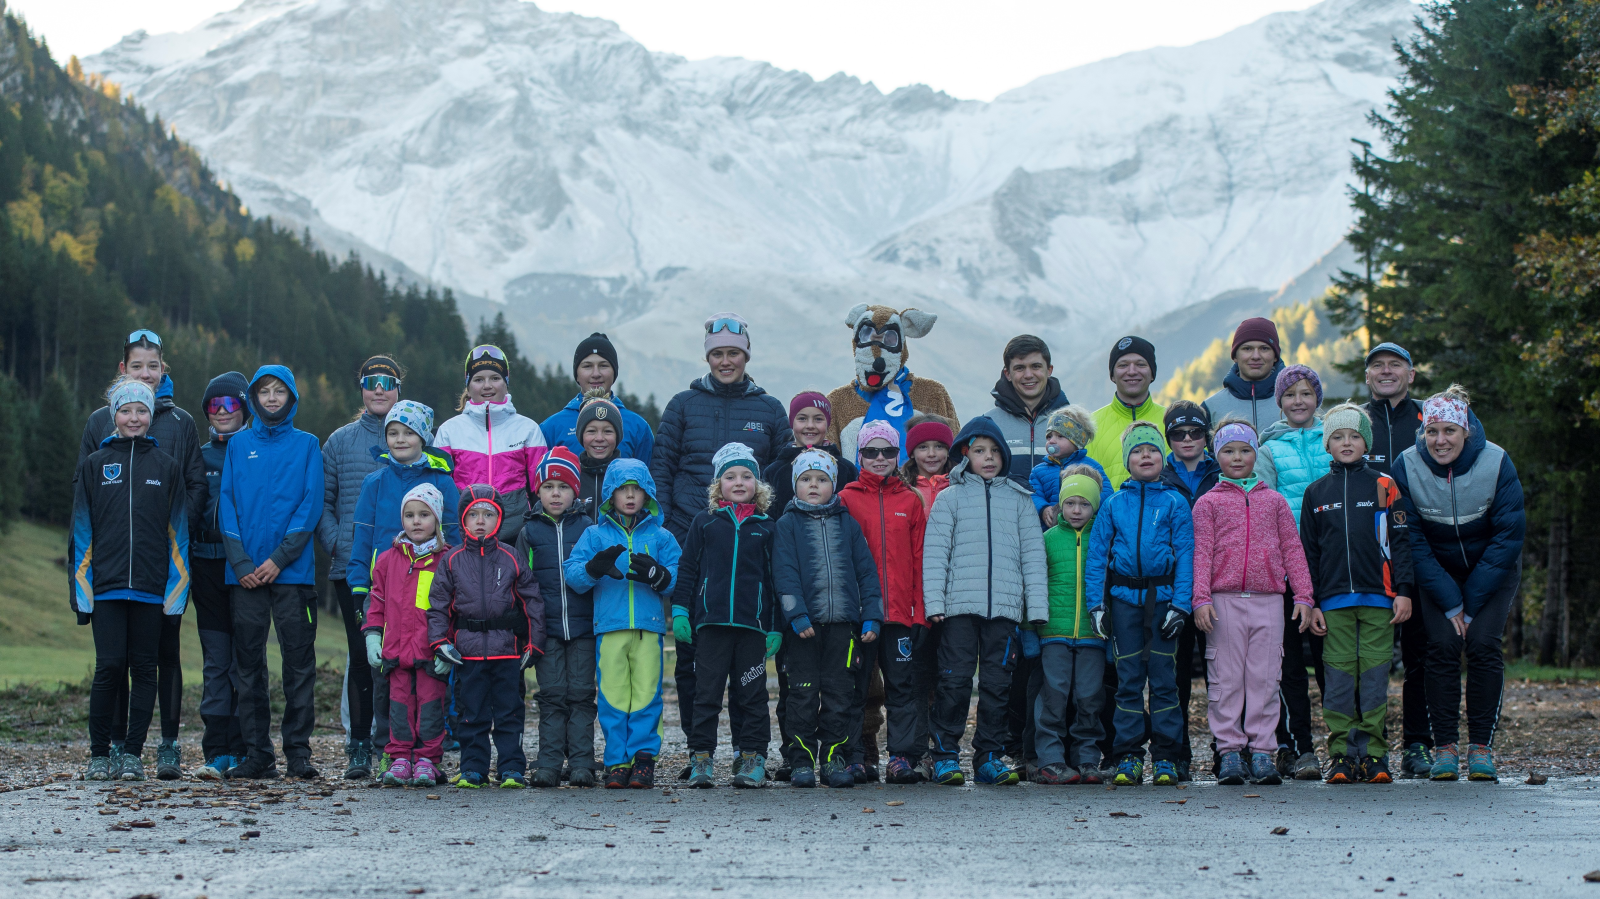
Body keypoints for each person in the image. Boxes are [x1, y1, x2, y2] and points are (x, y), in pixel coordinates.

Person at [651, 314, 790, 763]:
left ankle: (749, 752)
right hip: (694, 539)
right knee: (694, 663)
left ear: (746, 355)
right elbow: (662, 466)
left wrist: (774, 525)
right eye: (717, 353)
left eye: (733, 352)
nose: (725, 360)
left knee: (747, 673)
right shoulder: (683, 404)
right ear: (707, 356)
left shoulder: (768, 409)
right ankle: (700, 750)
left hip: (750, 543)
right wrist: (673, 526)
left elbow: (783, 471)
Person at [74, 330, 204, 781]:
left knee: (149, 666)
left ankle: (142, 751)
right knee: (110, 666)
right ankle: (101, 752)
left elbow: (182, 521)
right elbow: (83, 518)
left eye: (141, 411)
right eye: (125, 410)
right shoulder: (96, 450)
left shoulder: (173, 446)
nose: (133, 417)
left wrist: (177, 585)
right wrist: (80, 587)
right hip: (107, 583)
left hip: (153, 583)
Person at [1392, 386, 1525, 783]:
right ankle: (1445, 747)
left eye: (1449, 431)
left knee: (1483, 644)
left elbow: (1508, 538)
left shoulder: (1496, 461)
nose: (1440, 440)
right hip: (1437, 573)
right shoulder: (1408, 464)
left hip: (1493, 571)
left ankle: (1481, 747)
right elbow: (1412, 540)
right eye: (1432, 432)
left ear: (1466, 430)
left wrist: (1471, 602)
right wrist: (1452, 602)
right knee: (1444, 645)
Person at [922, 418, 1048, 786]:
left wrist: (1036, 608)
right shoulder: (950, 498)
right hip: (959, 609)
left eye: (995, 452)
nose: (988, 458)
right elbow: (935, 555)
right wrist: (935, 602)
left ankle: (989, 756)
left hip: (1005, 612)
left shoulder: (1020, 501)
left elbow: (1033, 557)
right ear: (966, 454)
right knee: (955, 682)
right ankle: (944, 755)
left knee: (998, 686)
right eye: (980, 451)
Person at [1190, 420, 1313, 786]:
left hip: (1269, 601)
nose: (1237, 457)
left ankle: (1262, 752)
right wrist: (1200, 599)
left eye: (1245, 450)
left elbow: (1293, 550)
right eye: (1228, 451)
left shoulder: (1273, 502)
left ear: (1255, 454)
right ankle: (1229, 752)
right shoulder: (1207, 503)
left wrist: (1303, 595)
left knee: (1264, 678)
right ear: (1217, 456)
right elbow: (1201, 555)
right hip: (1223, 601)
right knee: (1226, 680)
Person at [218, 365, 325, 780]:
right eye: (264, 391)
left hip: (293, 576)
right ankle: (257, 754)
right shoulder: (238, 445)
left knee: (298, 665)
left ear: (292, 396)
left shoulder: (307, 445)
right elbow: (226, 505)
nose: (273, 398)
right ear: (254, 398)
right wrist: (242, 563)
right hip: (244, 578)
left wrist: (280, 558)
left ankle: (298, 753)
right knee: (248, 666)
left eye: (280, 391)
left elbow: (311, 505)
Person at [1302, 404, 1416, 784]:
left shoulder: (1385, 485)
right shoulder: (1315, 492)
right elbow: (1309, 552)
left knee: (1373, 677)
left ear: (1366, 442)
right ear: (1327, 444)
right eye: (1337, 436)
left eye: (1354, 436)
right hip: (1332, 604)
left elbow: (1401, 542)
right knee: (1336, 681)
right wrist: (1312, 601)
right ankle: (1341, 756)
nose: (1346, 442)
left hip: (1380, 600)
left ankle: (1374, 755)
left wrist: (1403, 591)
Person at [1084, 421, 1194, 787]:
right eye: (1136, 450)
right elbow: (1097, 556)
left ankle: (1167, 757)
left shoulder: (1176, 503)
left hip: (1163, 603)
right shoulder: (1114, 504)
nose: (1145, 455)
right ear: (1127, 460)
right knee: (1128, 682)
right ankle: (1128, 755)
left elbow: (1187, 555)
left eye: (1151, 449)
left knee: (1164, 682)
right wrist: (1096, 606)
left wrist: (1181, 606)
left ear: (1162, 457)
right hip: (1123, 603)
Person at [563, 459, 680, 789]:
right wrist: (592, 569)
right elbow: (573, 573)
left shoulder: (660, 535)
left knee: (646, 694)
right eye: (622, 490)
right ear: (609, 496)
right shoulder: (594, 535)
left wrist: (660, 576)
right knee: (613, 696)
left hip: (649, 627)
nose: (630, 496)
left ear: (647, 495)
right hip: (610, 628)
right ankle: (617, 760)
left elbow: (678, 575)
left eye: (637, 490)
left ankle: (643, 759)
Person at [673, 444, 782, 789]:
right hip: (711, 626)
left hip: (752, 629)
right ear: (717, 485)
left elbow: (776, 579)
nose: (738, 481)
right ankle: (702, 758)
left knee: (752, 695)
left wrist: (775, 626)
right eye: (730, 476)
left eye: (746, 476)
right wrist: (679, 611)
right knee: (706, 695)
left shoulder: (767, 527)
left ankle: (752, 757)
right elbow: (687, 568)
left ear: (758, 484)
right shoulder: (705, 523)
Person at [773, 449, 883, 788]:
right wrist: (796, 614)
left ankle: (834, 758)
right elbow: (784, 573)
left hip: (844, 628)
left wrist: (871, 617)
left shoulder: (847, 524)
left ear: (833, 485)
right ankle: (802, 760)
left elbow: (866, 573)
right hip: (803, 629)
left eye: (821, 480)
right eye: (806, 479)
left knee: (840, 696)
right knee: (802, 695)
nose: (813, 485)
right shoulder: (787, 524)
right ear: (795, 485)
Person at [317, 354, 402, 780]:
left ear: (399, 388)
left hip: (408, 570)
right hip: (353, 570)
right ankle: (358, 745)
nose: (379, 388)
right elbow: (322, 503)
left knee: (404, 656)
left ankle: (399, 744)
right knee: (361, 655)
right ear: (362, 388)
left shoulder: (414, 436)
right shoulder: (338, 441)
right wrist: (341, 546)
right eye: (372, 381)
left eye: (388, 381)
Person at [427, 485, 543, 789]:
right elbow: (438, 606)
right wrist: (439, 642)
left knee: (509, 712)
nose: (481, 520)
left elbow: (532, 601)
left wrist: (535, 642)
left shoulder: (512, 557)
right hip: (467, 652)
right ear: (463, 521)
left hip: (506, 650)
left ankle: (511, 768)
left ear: (499, 519)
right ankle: (473, 768)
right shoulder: (451, 561)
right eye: (473, 514)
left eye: (488, 514)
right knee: (471, 714)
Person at [838, 422, 930, 786]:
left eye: (888, 452)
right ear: (859, 455)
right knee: (855, 688)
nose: (879, 458)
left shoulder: (910, 500)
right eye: (871, 452)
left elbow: (921, 560)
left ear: (898, 456)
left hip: (900, 614)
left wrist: (919, 612)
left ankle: (902, 757)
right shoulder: (845, 498)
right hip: (859, 615)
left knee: (903, 688)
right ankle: (855, 757)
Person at [1361, 341, 1432, 778]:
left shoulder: (1429, 418)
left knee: (1421, 655)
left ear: (1410, 373)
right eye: (1377, 366)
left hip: (1422, 552)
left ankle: (1418, 745)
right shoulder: (1353, 421)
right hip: (1363, 560)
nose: (1386, 371)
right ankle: (1366, 746)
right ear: (1367, 376)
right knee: (1364, 660)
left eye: (1395, 365)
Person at [1256, 363, 1329, 781]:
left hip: (1333, 568)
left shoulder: (1334, 439)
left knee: (1330, 662)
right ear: (1279, 402)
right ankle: (1297, 748)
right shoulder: (1268, 451)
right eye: (1290, 394)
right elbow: (1266, 512)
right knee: (1288, 666)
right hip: (1284, 572)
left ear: (1316, 398)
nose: (1298, 401)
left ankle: (1345, 744)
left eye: (1306, 393)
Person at [514, 448, 599, 788]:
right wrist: (526, 631)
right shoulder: (529, 532)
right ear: (537, 491)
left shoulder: (588, 527)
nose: (555, 493)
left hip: (582, 629)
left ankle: (581, 762)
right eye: (548, 486)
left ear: (575, 491)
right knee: (551, 695)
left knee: (580, 694)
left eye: (563, 487)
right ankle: (548, 761)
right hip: (546, 630)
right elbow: (520, 584)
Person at [365, 484, 452, 788]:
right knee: (399, 708)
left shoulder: (446, 560)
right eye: (410, 515)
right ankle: (400, 757)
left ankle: (428, 760)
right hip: (396, 653)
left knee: (430, 708)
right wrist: (372, 636)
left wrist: (447, 648)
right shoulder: (388, 560)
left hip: (430, 653)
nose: (416, 521)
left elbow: (452, 608)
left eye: (424, 515)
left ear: (437, 520)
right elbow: (376, 601)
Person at [190, 372, 251, 781]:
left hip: (244, 567)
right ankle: (216, 751)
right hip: (206, 564)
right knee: (216, 659)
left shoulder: (253, 451)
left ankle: (245, 747)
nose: (224, 412)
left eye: (231, 404)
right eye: (215, 405)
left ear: (245, 408)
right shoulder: (199, 455)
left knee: (244, 661)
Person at [1030, 465, 1107, 785]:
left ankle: (1087, 758)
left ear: (1096, 506)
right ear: (1060, 505)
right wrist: (1030, 631)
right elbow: (1034, 585)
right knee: (1054, 695)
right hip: (1054, 633)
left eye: (1085, 504)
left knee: (1089, 696)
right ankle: (1050, 758)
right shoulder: (1047, 539)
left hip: (1092, 634)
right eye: (1070, 503)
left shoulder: (1103, 540)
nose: (1077, 510)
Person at [1158, 400, 1222, 781]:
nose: (1187, 439)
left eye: (1195, 432)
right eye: (1178, 433)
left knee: (1221, 675)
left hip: (1218, 585)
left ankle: (1225, 749)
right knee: (1176, 674)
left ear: (1206, 435)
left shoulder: (1223, 470)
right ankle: (1177, 752)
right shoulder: (1157, 473)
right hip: (1174, 589)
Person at [434, 345, 549, 542]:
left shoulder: (528, 429)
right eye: (479, 379)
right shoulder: (449, 431)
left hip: (516, 535)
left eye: (495, 378)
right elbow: (437, 489)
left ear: (506, 383)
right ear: (468, 386)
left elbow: (541, 489)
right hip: (462, 535)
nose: (487, 386)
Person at [541, 332, 656, 462]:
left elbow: (648, 480)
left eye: (603, 365)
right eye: (587, 366)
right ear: (577, 374)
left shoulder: (638, 427)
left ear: (614, 372)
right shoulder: (551, 428)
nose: (596, 374)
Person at [980, 335, 1070, 483]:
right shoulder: (988, 425)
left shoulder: (1072, 422)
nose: (1028, 375)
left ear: (1049, 370)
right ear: (1007, 374)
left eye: (1036, 366)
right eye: (1020, 368)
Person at [1087, 336, 1167, 490]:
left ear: (1152, 373)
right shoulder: (1090, 426)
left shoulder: (1171, 423)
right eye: (1123, 365)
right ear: (1112, 375)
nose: (1132, 372)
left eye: (1140, 364)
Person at [764, 391, 858, 519]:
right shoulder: (774, 472)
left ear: (828, 423)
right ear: (792, 422)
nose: (810, 426)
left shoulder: (846, 469)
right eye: (802, 419)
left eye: (818, 419)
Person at [1027, 405, 1112, 524]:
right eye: (1049, 436)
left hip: (1084, 529)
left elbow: (1106, 492)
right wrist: (1043, 508)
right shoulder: (1038, 471)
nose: (1051, 441)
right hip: (1051, 530)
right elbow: (1032, 495)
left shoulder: (1092, 467)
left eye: (1060, 436)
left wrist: (1089, 506)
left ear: (1077, 442)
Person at [1202, 317, 1286, 431]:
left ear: (1275, 356)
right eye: (1247, 349)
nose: (1256, 356)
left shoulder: (1296, 403)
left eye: (1264, 349)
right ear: (1235, 356)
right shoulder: (1211, 408)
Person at [571, 390, 625, 514]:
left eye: (608, 431)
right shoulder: (571, 477)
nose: (599, 438)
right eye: (591, 431)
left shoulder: (627, 478)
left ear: (618, 436)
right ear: (581, 436)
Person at [900, 414, 955, 511]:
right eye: (923, 447)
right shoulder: (900, 488)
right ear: (912, 452)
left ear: (948, 451)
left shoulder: (960, 485)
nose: (931, 454)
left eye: (939, 446)